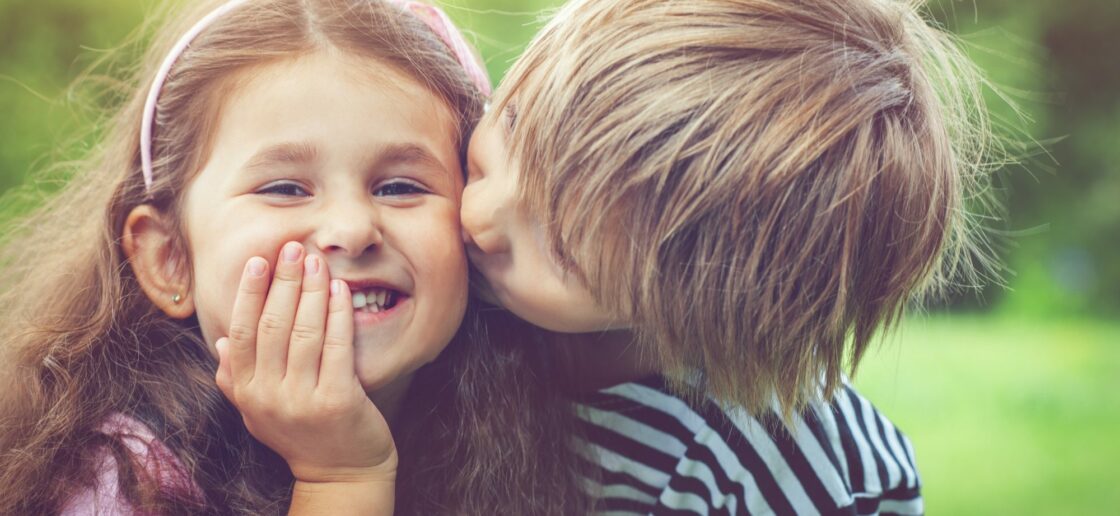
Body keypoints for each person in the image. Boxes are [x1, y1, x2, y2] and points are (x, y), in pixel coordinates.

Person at [0, 0, 591, 514]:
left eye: (400, 186)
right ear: (170, 259)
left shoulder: (550, 441)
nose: (353, 230)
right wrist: (340, 477)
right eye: (285, 188)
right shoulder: (114, 483)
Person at [462, 0, 997, 513]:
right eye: (513, 125)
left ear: (695, 302)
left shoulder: (768, 468)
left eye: (559, 249)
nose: (480, 216)